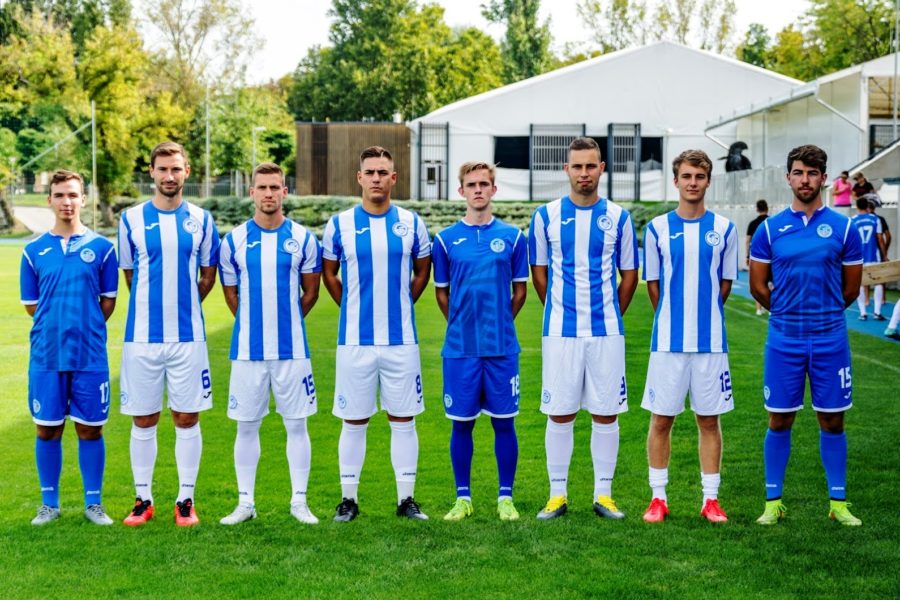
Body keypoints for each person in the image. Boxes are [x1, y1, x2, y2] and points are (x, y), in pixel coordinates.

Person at [749, 144, 863, 526]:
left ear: (824, 178)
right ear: (788, 177)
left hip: (831, 339)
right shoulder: (769, 229)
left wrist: (823, 314)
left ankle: (838, 504)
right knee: (779, 420)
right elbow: (758, 286)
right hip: (784, 340)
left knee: (832, 421)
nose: (805, 179)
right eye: (798, 172)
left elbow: (851, 289)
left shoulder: (845, 228)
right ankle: (773, 503)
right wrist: (787, 313)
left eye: (812, 173)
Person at [528, 136, 639, 521]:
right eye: (577, 166)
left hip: (606, 332)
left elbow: (629, 275)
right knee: (559, 413)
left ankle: (603, 495)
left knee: (606, 413)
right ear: (566, 169)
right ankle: (556, 495)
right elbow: (539, 273)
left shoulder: (619, 218)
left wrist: (611, 313)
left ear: (602, 169)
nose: (584, 173)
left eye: (591, 166)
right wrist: (560, 308)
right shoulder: (545, 216)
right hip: (561, 332)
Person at [321, 146, 432, 522]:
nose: (376, 179)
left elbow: (422, 271)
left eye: (383, 172)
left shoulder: (411, 223)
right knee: (354, 421)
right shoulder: (339, 225)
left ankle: (406, 500)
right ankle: (348, 500)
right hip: (355, 342)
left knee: (403, 420)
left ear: (393, 178)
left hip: (401, 342)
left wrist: (403, 302)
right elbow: (329, 274)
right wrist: (352, 306)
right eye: (370, 172)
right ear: (359, 178)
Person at [118, 141, 220, 526]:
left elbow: (207, 276)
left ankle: (185, 500)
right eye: (162, 168)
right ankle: (143, 499)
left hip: (188, 337)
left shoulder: (202, 220)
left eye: (176, 168)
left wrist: (183, 305)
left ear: (187, 172)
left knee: (186, 417)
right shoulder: (130, 219)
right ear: (151, 172)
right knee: (143, 418)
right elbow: (131, 275)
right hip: (142, 337)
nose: (169, 175)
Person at [218, 163, 322, 526]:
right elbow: (231, 294)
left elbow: (311, 293)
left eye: (274, 187)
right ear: (251, 193)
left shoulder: (304, 239)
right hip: (248, 352)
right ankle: (245, 503)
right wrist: (253, 324)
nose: (268, 193)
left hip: (293, 351)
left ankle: (299, 502)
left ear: (284, 192)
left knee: (297, 426)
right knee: (246, 427)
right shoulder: (233, 241)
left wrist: (286, 322)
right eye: (261, 187)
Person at [640, 150, 737, 524]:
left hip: (710, 343)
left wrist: (703, 314)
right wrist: (673, 317)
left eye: (699, 176)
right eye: (686, 176)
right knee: (661, 420)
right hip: (668, 343)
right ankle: (658, 498)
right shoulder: (657, 229)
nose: (692, 182)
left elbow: (724, 284)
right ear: (675, 181)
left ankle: (710, 500)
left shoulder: (724, 229)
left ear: (708, 180)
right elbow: (654, 285)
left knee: (709, 421)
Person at [20, 170, 118, 526]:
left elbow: (107, 302)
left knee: (90, 429)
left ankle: (94, 504)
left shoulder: (103, 249)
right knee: (47, 429)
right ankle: (50, 504)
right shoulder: (33, 251)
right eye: (60, 195)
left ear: (83, 199)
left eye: (73, 195)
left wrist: (83, 325)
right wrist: (57, 325)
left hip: (90, 355)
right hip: (46, 355)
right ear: (50, 200)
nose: (67, 202)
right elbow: (32, 305)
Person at [433, 161, 528, 522]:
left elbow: (519, 292)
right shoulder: (445, 240)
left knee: (504, 423)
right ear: (461, 191)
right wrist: (462, 324)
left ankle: (506, 498)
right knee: (461, 424)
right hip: (460, 349)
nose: (478, 190)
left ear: (493, 190)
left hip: (502, 347)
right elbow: (442, 294)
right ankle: (463, 498)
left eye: (484, 184)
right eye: (471, 185)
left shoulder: (513, 238)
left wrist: (499, 321)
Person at [851, 197, 887, 321]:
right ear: (867, 205)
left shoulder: (853, 220)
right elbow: (880, 238)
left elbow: (851, 241)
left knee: (860, 284)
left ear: (857, 206)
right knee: (878, 282)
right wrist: (884, 255)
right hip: (874, 256)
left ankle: (863, 313)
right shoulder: (875, 219)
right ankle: (877, 312)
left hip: (859, 258)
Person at [745, 199, 769, 315]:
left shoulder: (753, 223)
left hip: (756, 257)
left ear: (757, 209)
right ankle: (770, 308)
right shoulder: (771, 222)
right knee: (771, 283)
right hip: (771, 256)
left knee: (757, 283)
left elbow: (747, 240)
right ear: (767, 208)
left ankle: (759, 309)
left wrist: (747, 256)